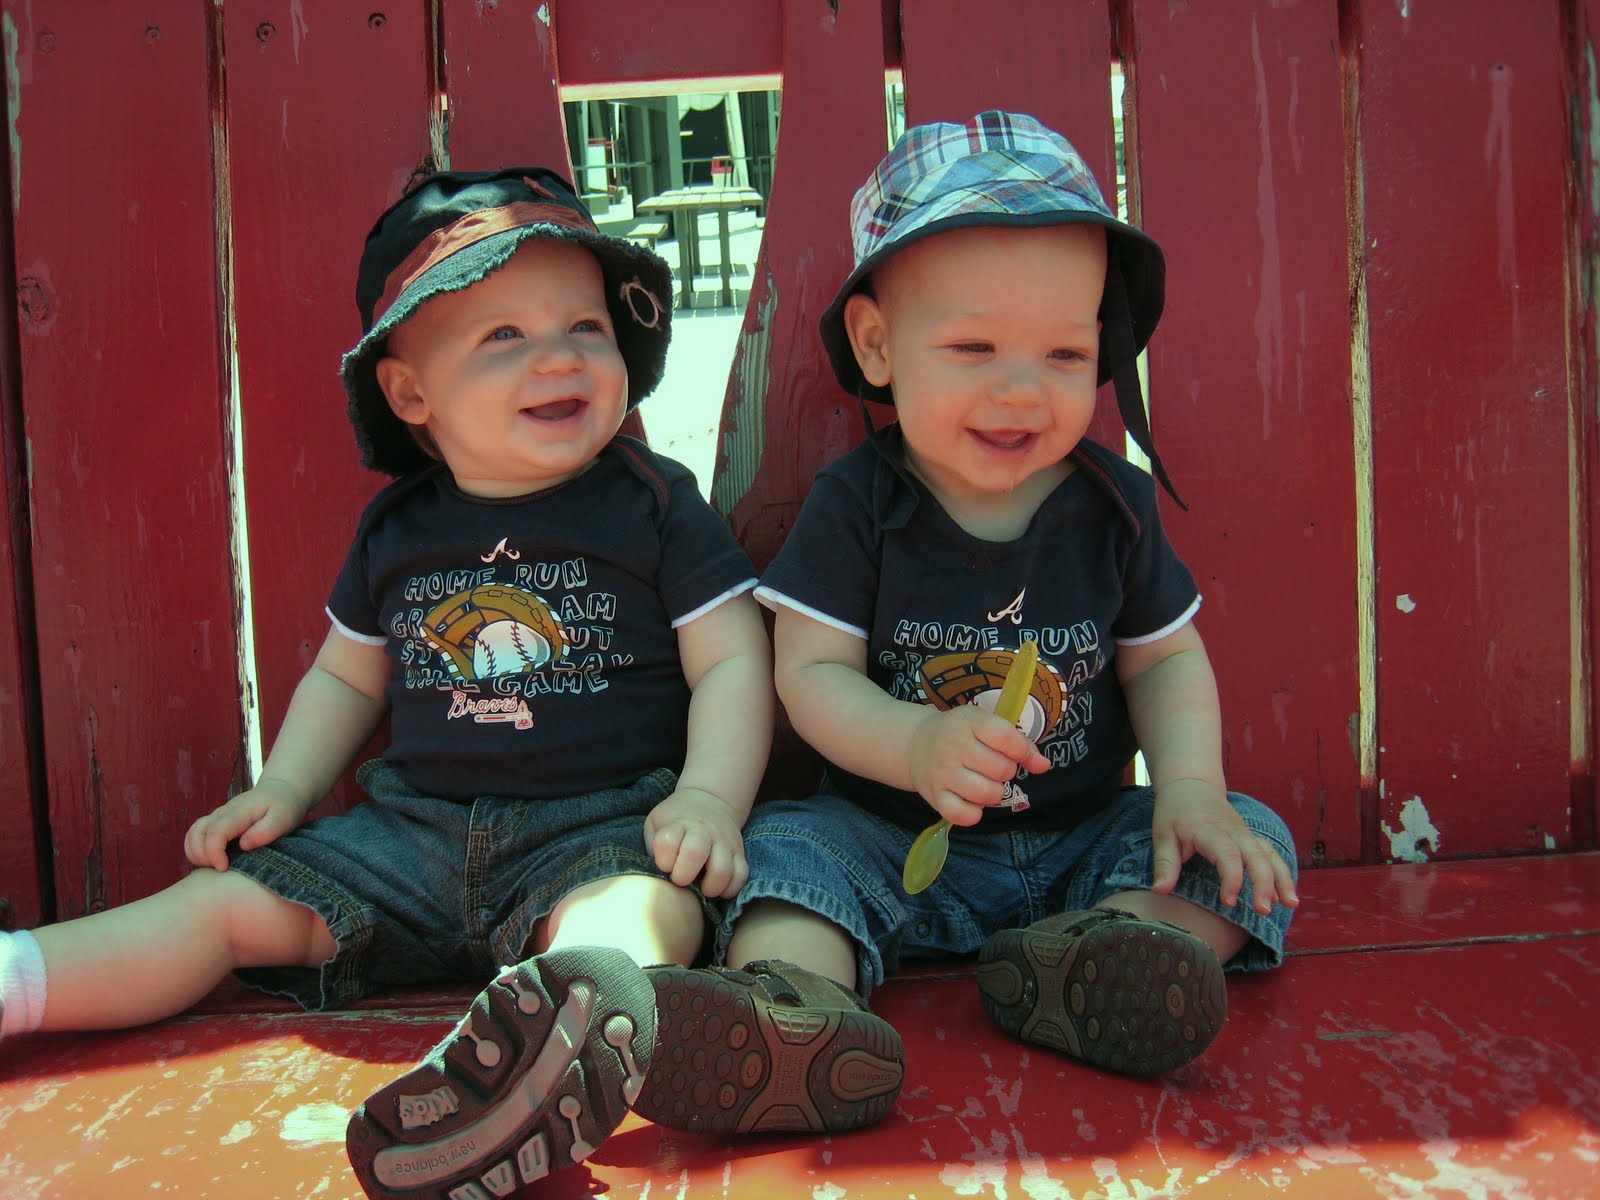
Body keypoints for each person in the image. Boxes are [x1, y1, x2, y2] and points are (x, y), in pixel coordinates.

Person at [0, 167, 775, 1200]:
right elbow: (344, 677)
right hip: (405, 841)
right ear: (411, 394)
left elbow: (732, 658)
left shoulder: (655, 506)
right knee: (220, 907)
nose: (559, 356)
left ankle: (564, 1025)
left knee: (641, 903)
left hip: (593, 827)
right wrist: (284, 788)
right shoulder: (397, 529)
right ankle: (19, 981)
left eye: (586, 327)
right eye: (504, 336)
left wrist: (709, 798)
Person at [707, 110, 1301, 1093]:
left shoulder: (1112, 506)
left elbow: (1164, 658)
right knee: (786, 856)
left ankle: (1104, 957)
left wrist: (1191, 788)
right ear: (877, 344)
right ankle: (794, 1015)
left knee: (1247, 840)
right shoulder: (856, 505)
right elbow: (808, 673)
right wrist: (914, 745)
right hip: (888, 840)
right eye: (974, 347)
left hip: (1083, 845)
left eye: (1063, 356)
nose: (1023, 391)